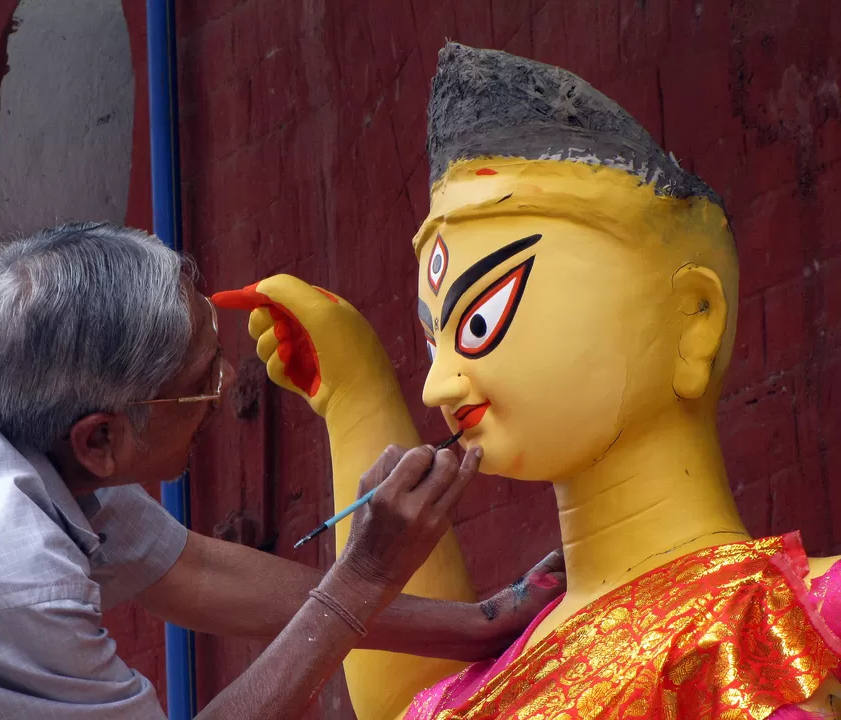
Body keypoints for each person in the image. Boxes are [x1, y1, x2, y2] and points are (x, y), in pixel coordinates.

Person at [216, 44, 841, 720]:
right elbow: (406, 705)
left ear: (695, 318)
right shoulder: (509, 658)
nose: (438, 386)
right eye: (434, 338)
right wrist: (355, 395)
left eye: (482, 320)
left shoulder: (784, 618)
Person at [0, 222, 564, 719]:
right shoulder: (2, 569)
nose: (229, 380)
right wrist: (362, 579)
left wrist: (479, 623)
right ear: (99, 440)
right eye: (200, 381)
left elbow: (190, 571)